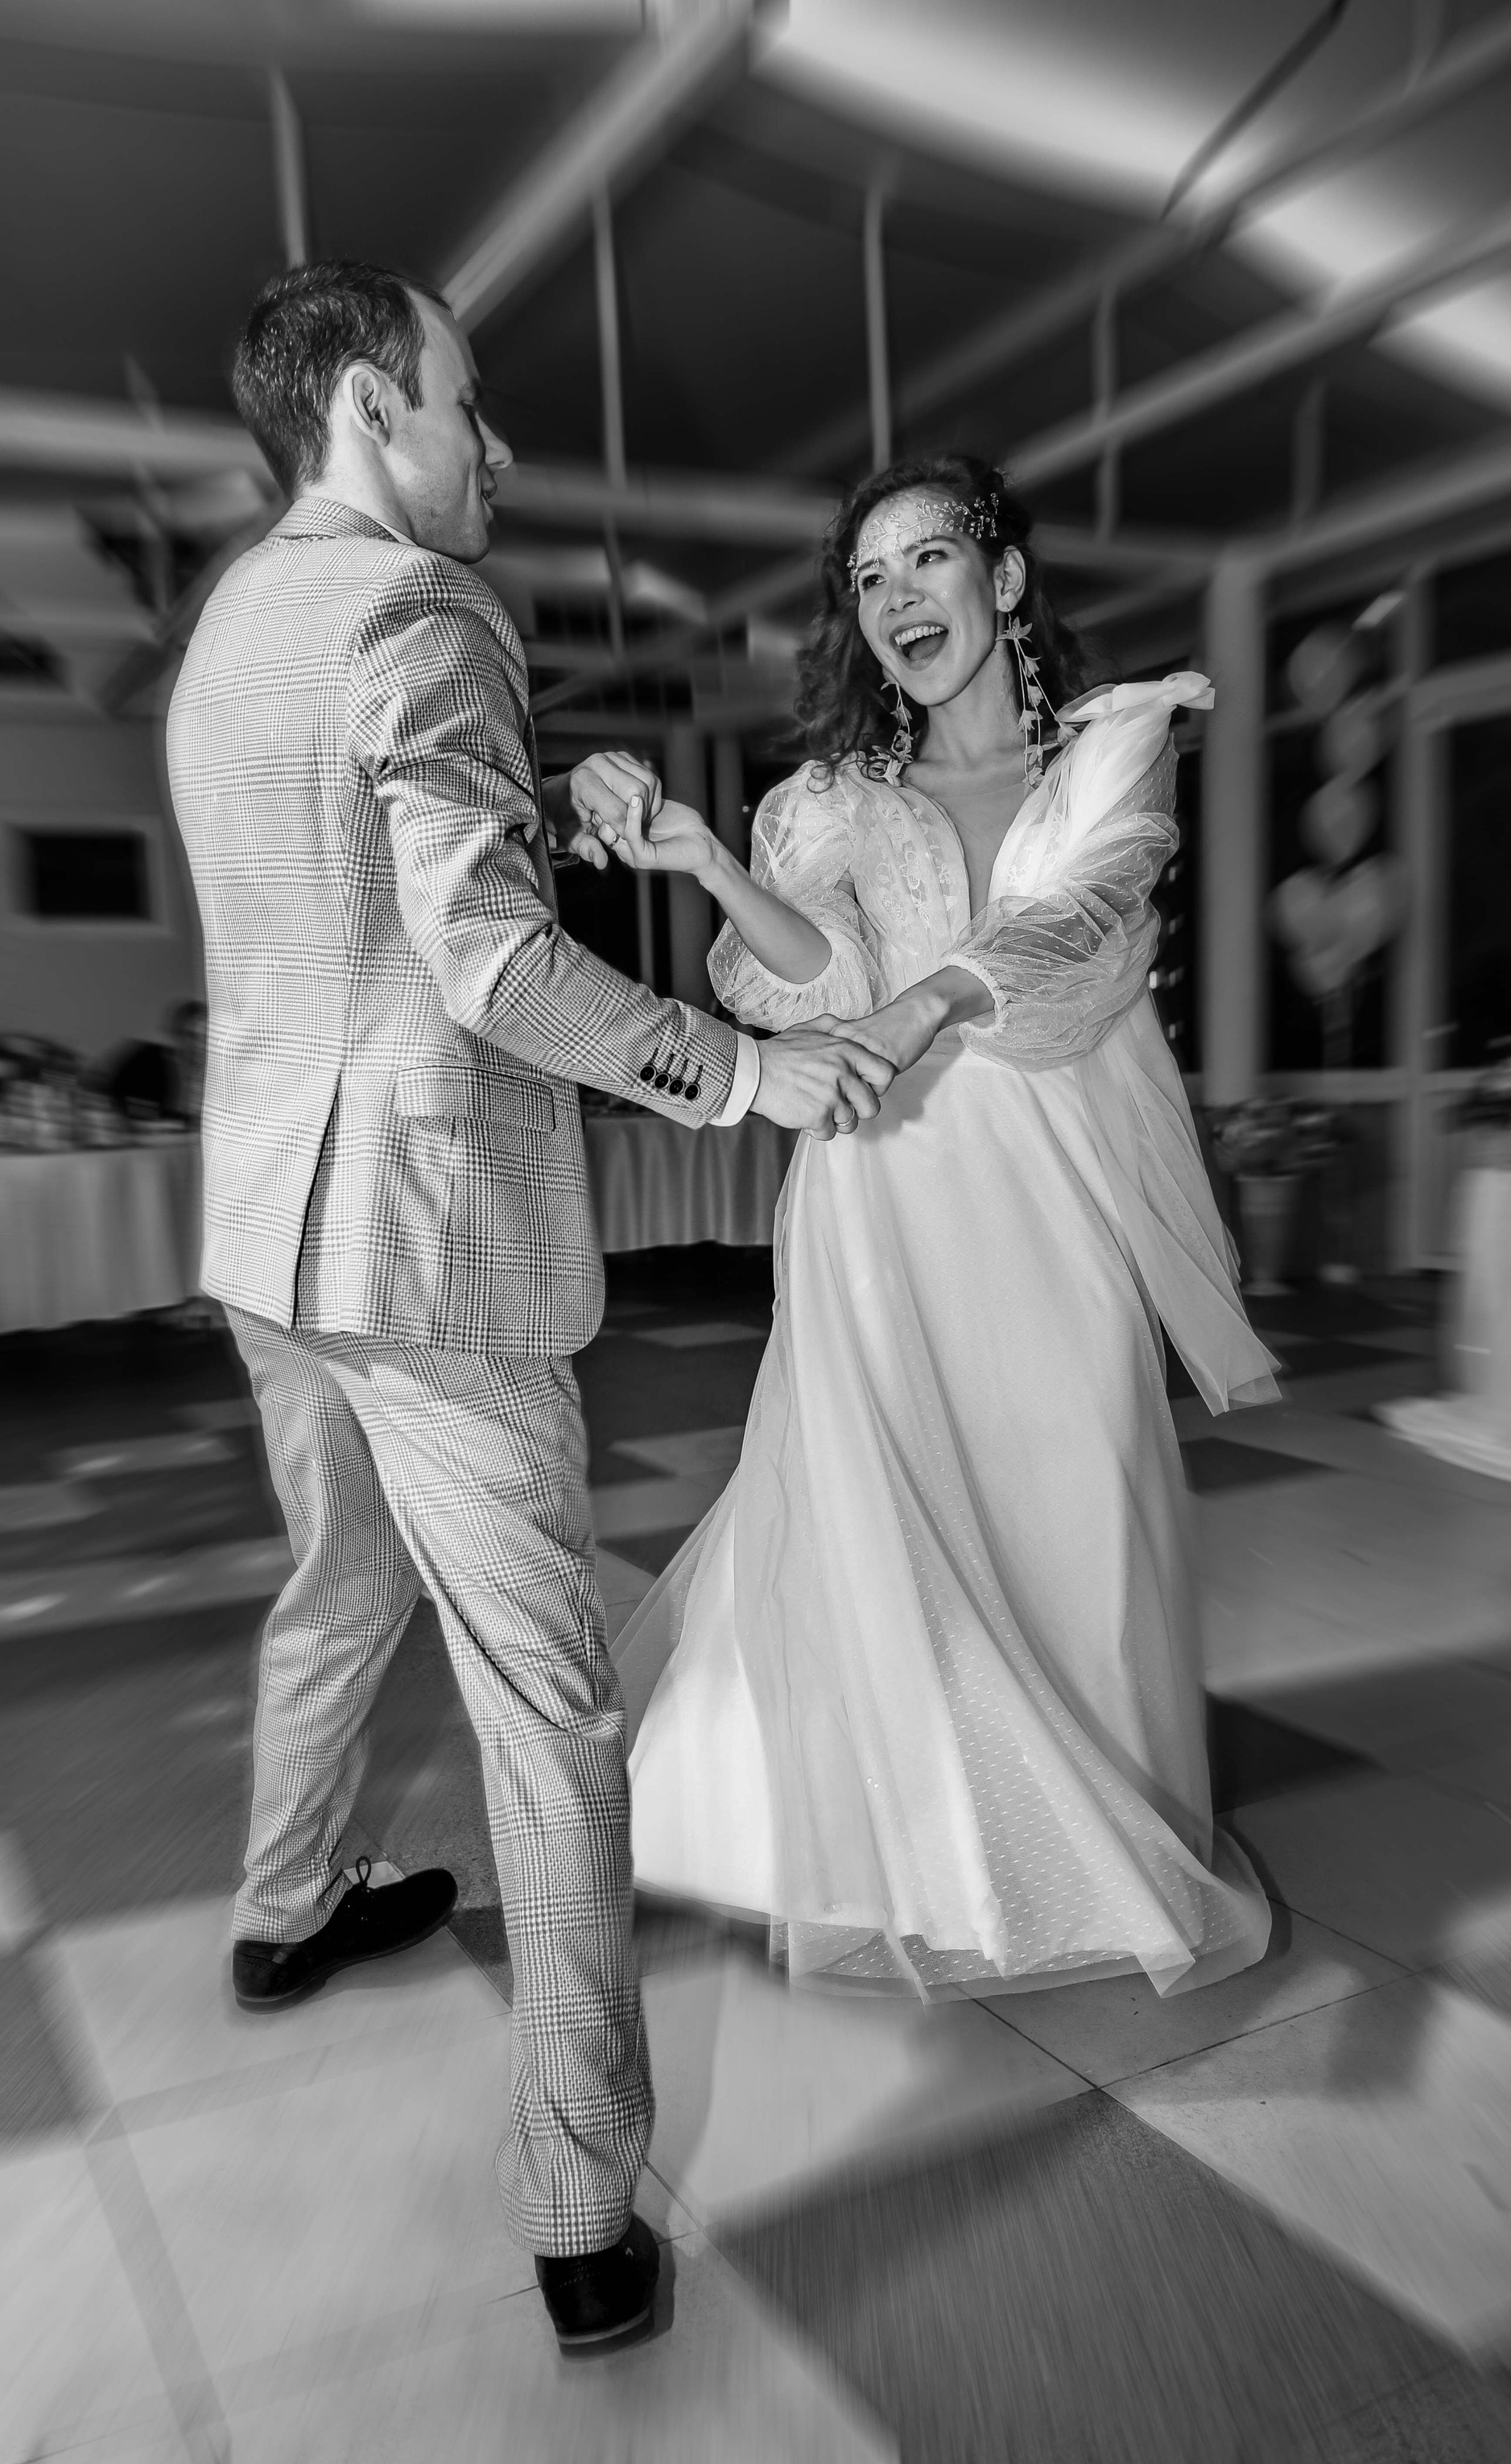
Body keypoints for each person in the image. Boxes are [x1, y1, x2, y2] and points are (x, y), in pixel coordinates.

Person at [164, 258, 894, 2353]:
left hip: (273, 1235)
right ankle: (581, 2203)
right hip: (428, 1245)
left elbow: (359, 888)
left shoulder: (231, 623)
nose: (496, 446)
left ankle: (286, 1905)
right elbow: (485, 966)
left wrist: (530, 808)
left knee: (335, 1584)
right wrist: (743, 1070)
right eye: (468, 403)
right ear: (371, 405)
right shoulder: (425, 603)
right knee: (553, 1718)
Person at [605, 456, 1280, 2004]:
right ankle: (935, 1857)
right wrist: (711, 863)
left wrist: (925, 1003)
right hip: (879, 1194)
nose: (897, 596)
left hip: (1051, 1193)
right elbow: (819, 985)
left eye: (926, 558)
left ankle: (1090, 1847)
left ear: (1006, 579)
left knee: (1076, 1487)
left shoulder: (1114, 750)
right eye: (868, 577)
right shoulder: (838, 799)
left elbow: (1088, 916)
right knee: (892, 1515)